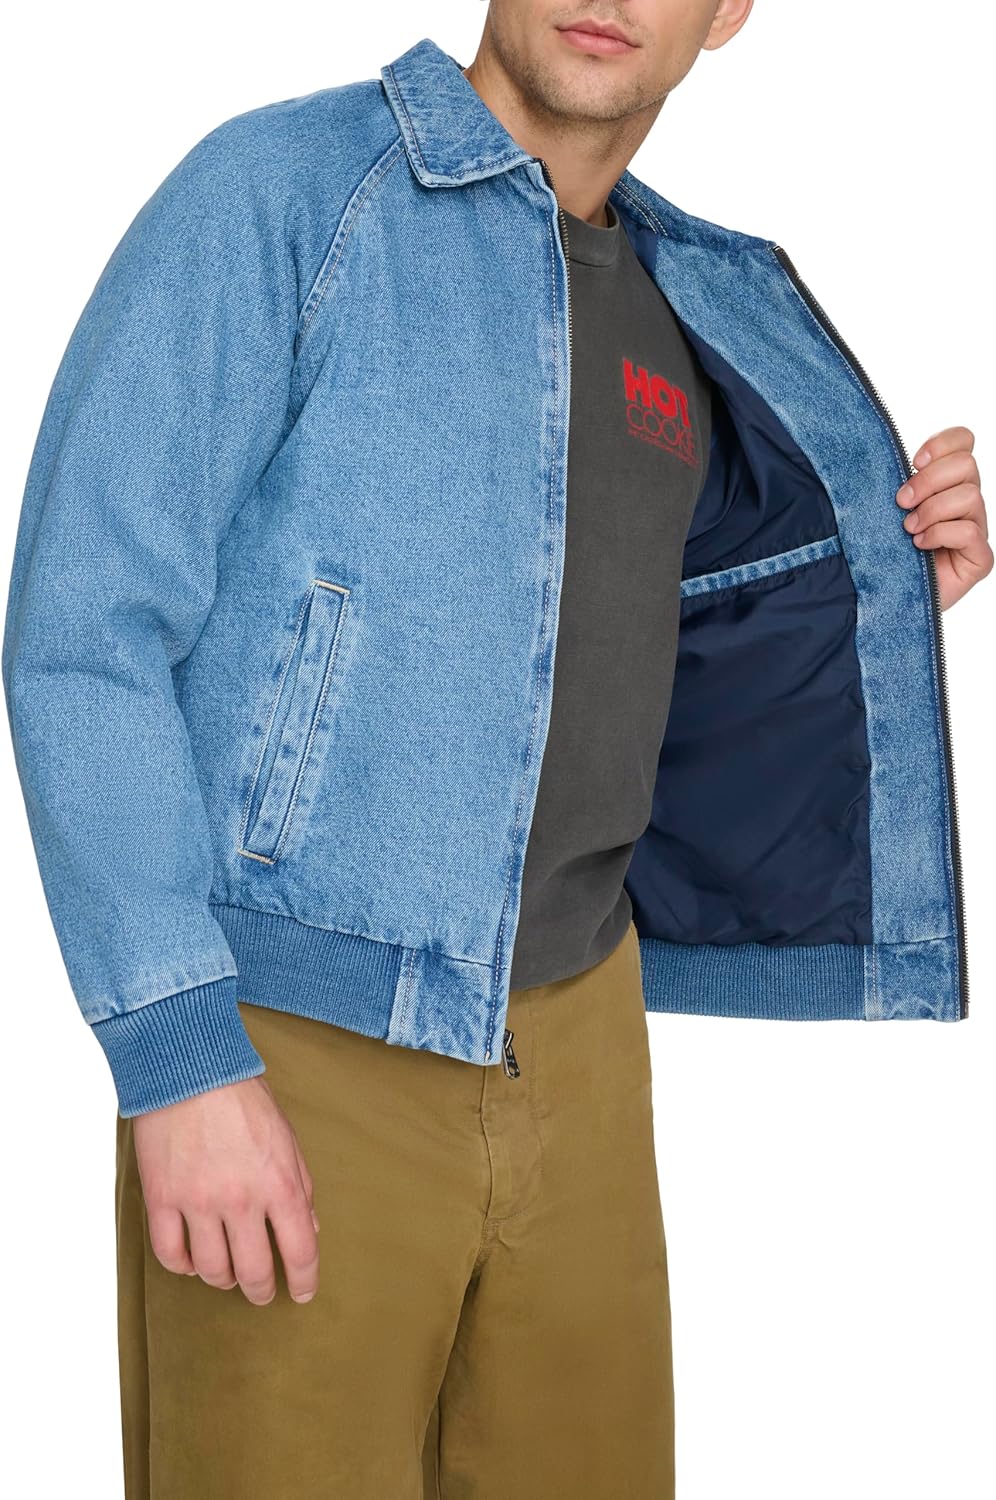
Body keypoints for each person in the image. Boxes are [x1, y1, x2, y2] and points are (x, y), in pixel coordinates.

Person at [3, 5, 990, 1497]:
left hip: (582, 1048)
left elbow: (620, 654)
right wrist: (179, 1058)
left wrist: (871, 585)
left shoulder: (684, 303)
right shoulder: (284, 194)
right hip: (299, 1038)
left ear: (728, 12)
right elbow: (86, 629)